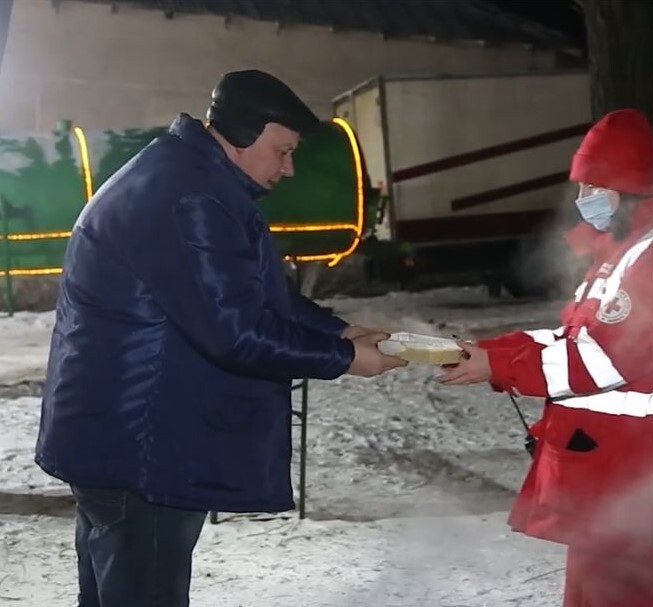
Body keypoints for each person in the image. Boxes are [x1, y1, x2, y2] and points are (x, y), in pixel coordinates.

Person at [35, 69, 406, 607]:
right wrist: (346, 357)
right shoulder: (192, 198)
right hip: (144, 451)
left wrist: (338, 330)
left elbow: (247, 293)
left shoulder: (179, 173)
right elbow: (236, 331)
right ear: (243, 133)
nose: (288, 168)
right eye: (282, 151)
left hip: (114, 437)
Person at [437, 109, 653, 606]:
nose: (583, 199)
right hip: (611, 479)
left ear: (626, 186)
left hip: (637, 482)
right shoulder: (621, 254)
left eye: (593, 187)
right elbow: (573, 338)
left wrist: (497, 366)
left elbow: (603, 359)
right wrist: (490, 352)